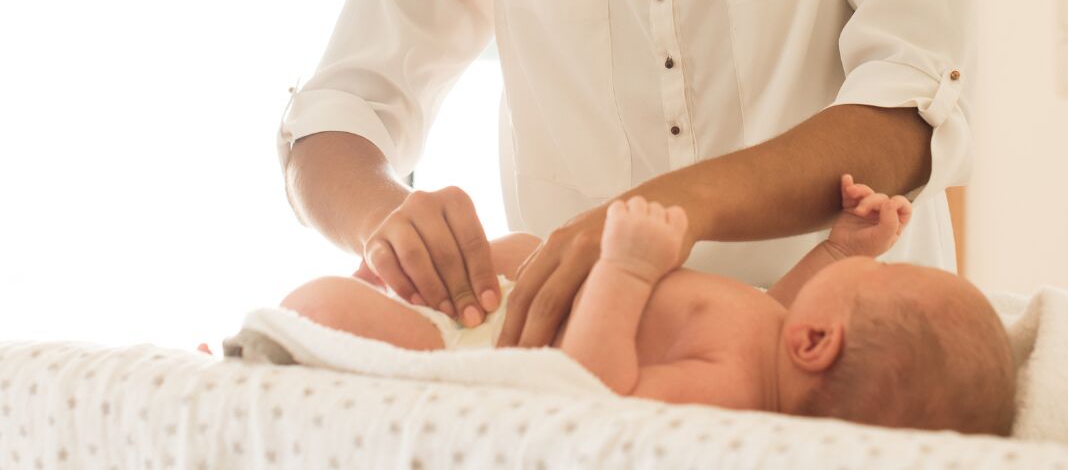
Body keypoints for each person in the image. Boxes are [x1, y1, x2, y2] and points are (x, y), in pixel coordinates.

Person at [278, 0, 974, 348]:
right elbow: (335, 120)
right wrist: (385, 221)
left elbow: (904, 117)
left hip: (856, 361)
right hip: (590, 374)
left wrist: (660, 216)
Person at [277, 177, 1016, 434]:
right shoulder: (774, 339)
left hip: (497, 356)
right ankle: (407, 289)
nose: (873, 271)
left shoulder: (726, 391)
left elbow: (596, 393)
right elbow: (778, 303)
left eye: (877, 281)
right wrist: (841, 250)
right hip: (521, 303)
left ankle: (281, 351)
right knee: (520, 248)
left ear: (817, 343)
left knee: (321, 307)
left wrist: (627, 273)